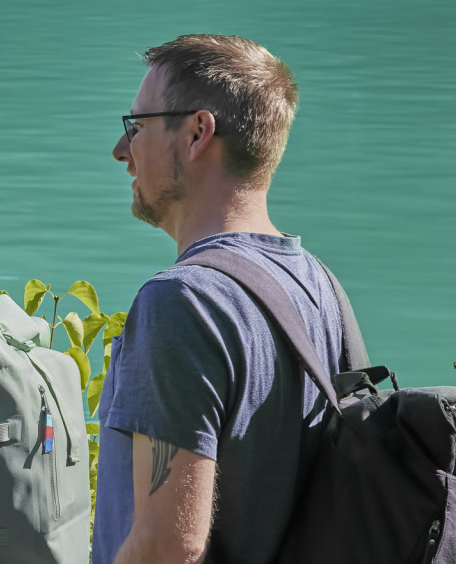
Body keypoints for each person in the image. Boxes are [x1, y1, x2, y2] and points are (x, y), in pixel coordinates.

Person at [94, 35, 341, 564]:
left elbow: (168, 547)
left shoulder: (182, 303)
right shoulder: (319, 286)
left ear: (197, 132)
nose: (121, 150)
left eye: (136, 127)